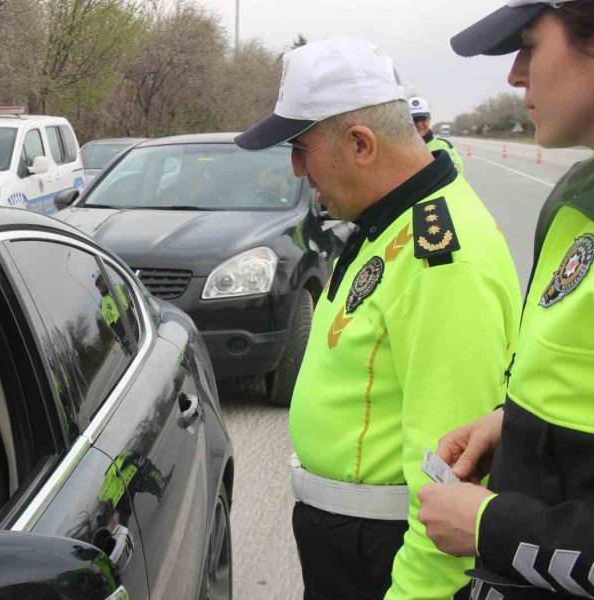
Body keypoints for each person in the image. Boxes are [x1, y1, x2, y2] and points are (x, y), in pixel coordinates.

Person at [235, 37, 521, 599]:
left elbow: (449, 481)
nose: (297, 169)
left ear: (361, 144)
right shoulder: (393, 217)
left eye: (302, 148)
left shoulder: (441, 256)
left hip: (384, 552)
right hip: (351, 539)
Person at [417, 2, 594, 598]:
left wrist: (495, 526)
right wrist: (514, 426)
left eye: (530, 45)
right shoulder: (578, 193)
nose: (516, 74)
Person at [409, 97, 465, 173]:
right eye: (414, 120)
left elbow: (456, 174)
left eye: (423, 119)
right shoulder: (398, 149)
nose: (419, 124)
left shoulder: (444, 146)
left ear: (429, 119)